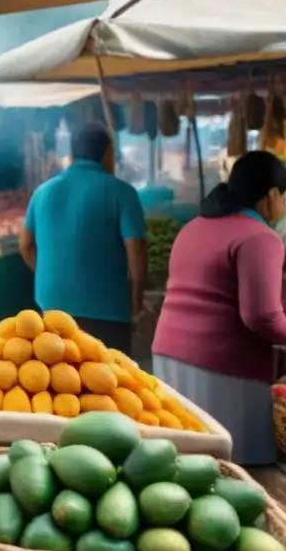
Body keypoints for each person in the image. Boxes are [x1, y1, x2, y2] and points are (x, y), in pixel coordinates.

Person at [153, 151, 286, 465]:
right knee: (235, 466)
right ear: (271, 195)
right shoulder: (260, 237)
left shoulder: (194, 227)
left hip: (169, 355)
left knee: (186, 458)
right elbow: (262, 315)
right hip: (222, 365)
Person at [19, 122, 146, 353]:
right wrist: (136, 297)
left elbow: (26, 246)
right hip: (105, 306)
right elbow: (135, 251)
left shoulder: (42, 192)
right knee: (107, 379)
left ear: (73, 153)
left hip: (52, 305)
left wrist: (53, 273)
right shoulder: (122, 192)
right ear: (107, 154)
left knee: (59, 377)